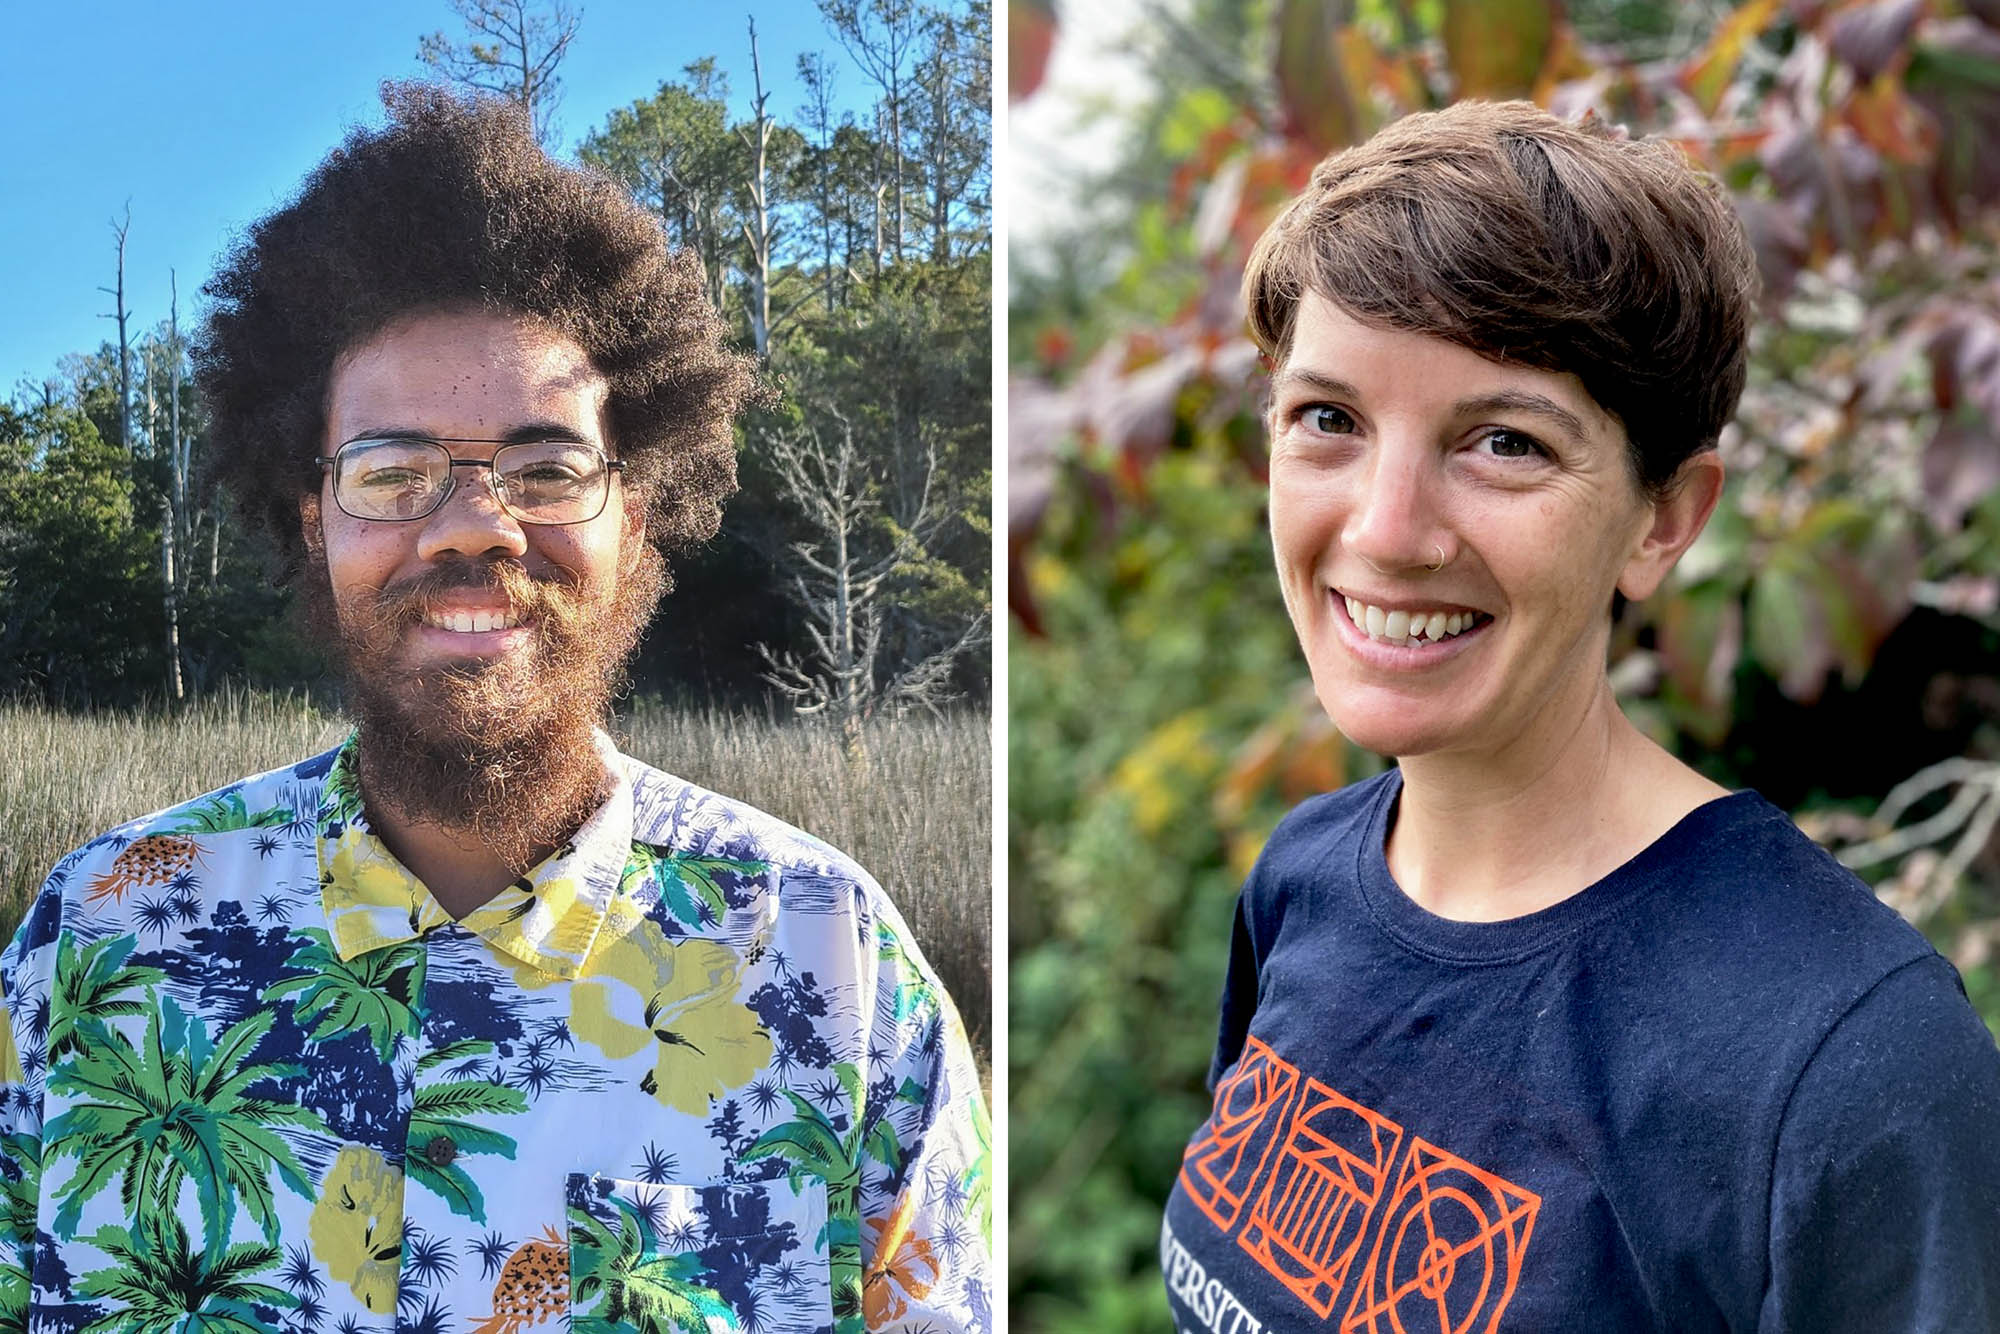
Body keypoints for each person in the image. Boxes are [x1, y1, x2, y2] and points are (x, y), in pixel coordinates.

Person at [0, 85, 988, 1334]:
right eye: (393, 471)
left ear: (637, 513)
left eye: (547, 469)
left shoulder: (830, 966)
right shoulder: (94, 945)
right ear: (315, 520)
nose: (474, 523)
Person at [1162, 100, 2000, 1334]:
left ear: (1663, 519)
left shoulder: (1847, 1068)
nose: (1387, 530)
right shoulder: (1299, 878)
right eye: (1326, 419)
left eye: (1501, 441)